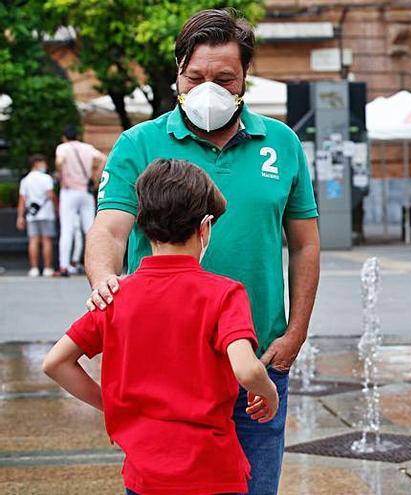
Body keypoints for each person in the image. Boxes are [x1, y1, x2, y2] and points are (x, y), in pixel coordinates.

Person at [84, 9, 320, 493]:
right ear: (177, 75)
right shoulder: (139, 143)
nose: (207, 88)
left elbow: (304, 245)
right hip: (164, 376)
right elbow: (109, 229)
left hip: (254, 365)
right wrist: (104, 280)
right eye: (195, 77)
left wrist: (295, 334)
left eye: (224, 78)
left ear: (244, 80)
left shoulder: (282, 143)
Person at [43, 159, 279, 495]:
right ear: (205, 227)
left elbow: (55, 363)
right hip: (212, 471)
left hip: (144, 473)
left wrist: (113, 405)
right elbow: (246, 369)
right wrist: (269, 393)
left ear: (142, 227)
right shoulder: (224, 294)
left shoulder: (115, 295)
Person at [55, 127, 106, 277]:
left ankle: (64, 266)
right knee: (90, 229)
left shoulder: (63, 148)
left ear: (64, 137)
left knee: (67, 230)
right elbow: (104, 158)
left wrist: (61, 175)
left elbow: (59, 161)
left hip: (69, 191)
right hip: (85, 191)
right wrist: (96, 177)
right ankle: (94, 266)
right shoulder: (87, 148)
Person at [16, 154, 58, 277]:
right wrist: (57, 207)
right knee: (46, 240)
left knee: (33, 240)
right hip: (46, 213)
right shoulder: (46, 178)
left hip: (32, 215)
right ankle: (47, 268)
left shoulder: (25, 180)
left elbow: (22, 200)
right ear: (37, 163)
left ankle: (34, 268)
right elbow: (51, 195)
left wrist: (20, 217)